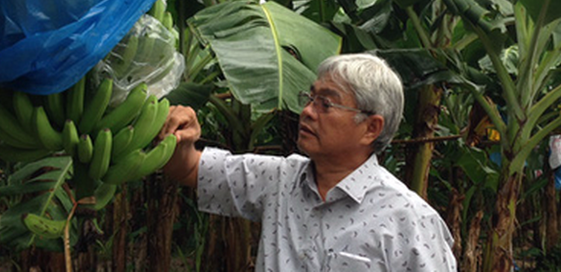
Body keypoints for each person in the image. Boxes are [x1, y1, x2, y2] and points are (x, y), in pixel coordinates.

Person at [160, 53, 457, 271]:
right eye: (310, 97)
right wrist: (180, 137)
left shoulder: (409, 220)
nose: (307, 111)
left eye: (326, 104)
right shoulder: (278, 180)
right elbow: (189, 169)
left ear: (371, 128)